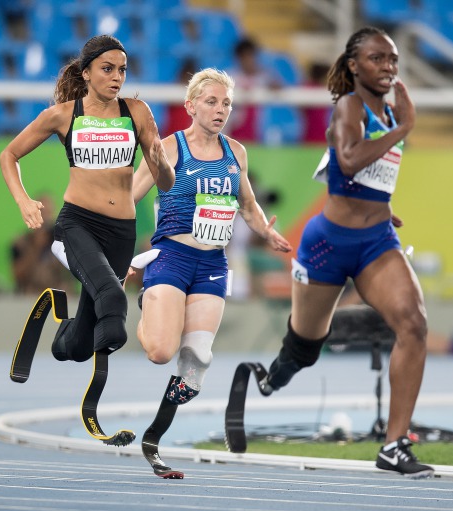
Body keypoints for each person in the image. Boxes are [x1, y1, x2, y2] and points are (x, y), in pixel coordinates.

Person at [257, 26, 434, 478]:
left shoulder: (389, 112)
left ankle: (394, 445)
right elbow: (351, 158)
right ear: (354, 65)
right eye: (378, 58)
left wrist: (384, 206)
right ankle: (274, 374)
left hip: (376, 242)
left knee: (413, 324)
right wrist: (407, 128)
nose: (389, 67)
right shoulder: (347, 107)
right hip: (327, 245)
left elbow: (367, 175)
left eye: (393, 59)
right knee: (306, 348)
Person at [132, 67, 291, 477]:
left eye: (227, 104)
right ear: (190, 105)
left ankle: (154, 437)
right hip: (171, 257)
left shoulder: (236, 152)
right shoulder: (168, 148)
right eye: (211, 101)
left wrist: (267, 233)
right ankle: (147, 304)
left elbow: (249, 206)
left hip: (212, 265)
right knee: (160, 352)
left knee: (195, 362)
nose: (221, 110)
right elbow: (126, 199)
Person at [0, 34, 174, 374]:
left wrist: (160, 162)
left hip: (122, 231)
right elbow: (10, 154)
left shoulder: (136, 112)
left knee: (79, 348)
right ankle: (104, 332)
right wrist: (22, 200)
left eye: (122, 70)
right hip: (77, 225)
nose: (116, 78)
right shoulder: (63, 115)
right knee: (112, 297)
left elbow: (165, 183)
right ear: (86, 73)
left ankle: (65, 335)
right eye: (107, 69)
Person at [10, 193, 76, 295]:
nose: (45, 217)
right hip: (29, 296)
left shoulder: (63, 241)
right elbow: (18, 276)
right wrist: (36, 247)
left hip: (59, 295)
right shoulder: (21, 242)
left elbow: (73, 274)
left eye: (48, 213)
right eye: (41, 212)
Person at [227, 37, 283, 143]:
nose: (248, 60)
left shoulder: (263, 77)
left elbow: (278, 86)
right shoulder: (230, 76)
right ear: (238, 58)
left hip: (256, 132)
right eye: (245, 57)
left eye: (251, 56)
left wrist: (273, 85)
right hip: (233, 130)